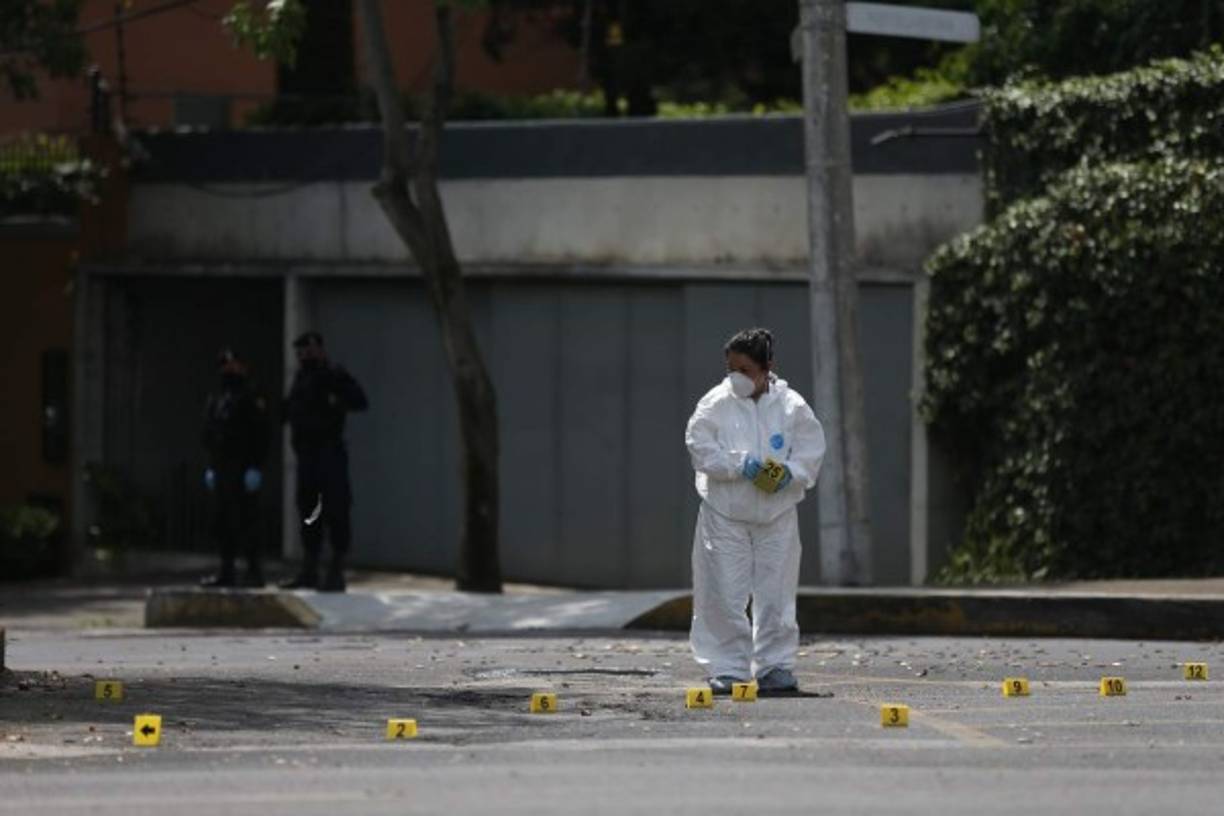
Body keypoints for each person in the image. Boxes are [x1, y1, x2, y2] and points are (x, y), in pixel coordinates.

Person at [684, 327, 827, 695]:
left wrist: (788, 475)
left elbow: (810, 454)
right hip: (725, 516)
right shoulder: (714, 404)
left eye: (745, 370)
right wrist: (740, 464)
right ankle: (727, 668)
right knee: (723, 594)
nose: (737, 378)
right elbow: (699, 448)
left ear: (767, 369)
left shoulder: (792, 406)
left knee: (776, 595)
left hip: (776, 517)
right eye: (732, 368)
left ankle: (775, 667)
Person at [281, 331, 368, 592]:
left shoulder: (334, 375)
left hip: (329, 453)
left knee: (336, 509)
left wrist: (336, 401)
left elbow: (360, 401)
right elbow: (287, 410)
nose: (304, 356)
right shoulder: (300, 379)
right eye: (300, 352)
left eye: (308, 350)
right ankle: (310, 569)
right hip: (307, 455)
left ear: (319, 349)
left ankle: (336, 569)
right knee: (309, 511)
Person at [201, 349, 271, 588]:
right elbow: (209, 434)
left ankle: (254, 571)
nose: (229, 371)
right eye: (225, 367)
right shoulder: (218, 399)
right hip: (222, 467)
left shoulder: (252, 396)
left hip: (244, 467)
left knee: (248, 520)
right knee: (222, 521)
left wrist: (255, 467)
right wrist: (211, 467)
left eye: (233, 366)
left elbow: (261, 434)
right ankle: (226, 569)